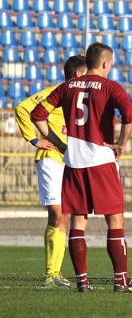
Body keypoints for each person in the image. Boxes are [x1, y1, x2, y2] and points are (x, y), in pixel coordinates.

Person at [31, 42, 132, 293]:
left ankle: (82, 281)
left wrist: (58, 143)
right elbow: (130, 116)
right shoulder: (111, 86)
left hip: (73, 162)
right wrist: (120, 145)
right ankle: (120, 281)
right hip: (101, 159)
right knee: (115, 220)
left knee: (78, 223)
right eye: (111, 63)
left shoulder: (67, 87)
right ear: (105, 63)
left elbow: (37, 114)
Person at [14, 55, 87, 288]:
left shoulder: (81, 97)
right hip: (51, 158)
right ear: (78, 75)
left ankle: (55, 273)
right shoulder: (56, 91)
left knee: (65, 214)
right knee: (57, 212)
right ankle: (49, 273)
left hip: (69, 159)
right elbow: (23, 108)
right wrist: (34, 139)